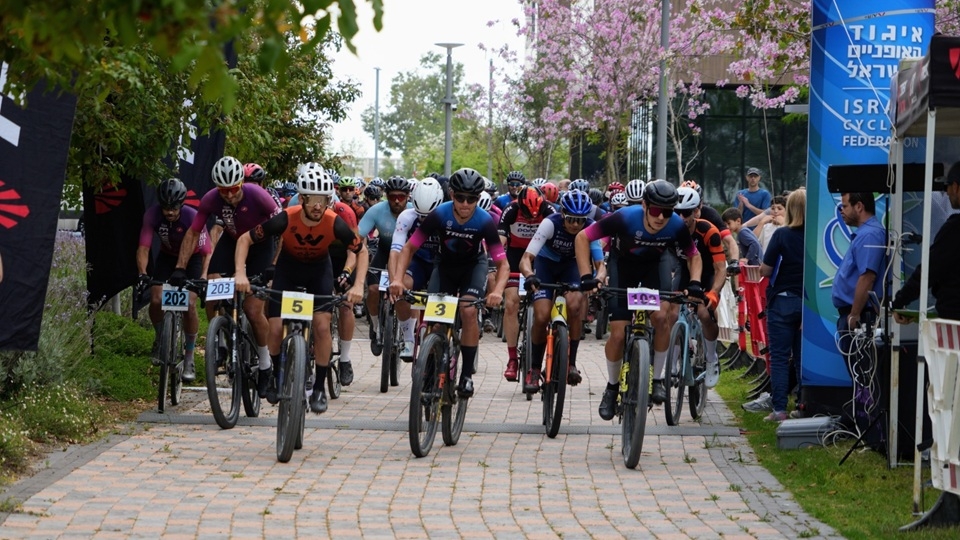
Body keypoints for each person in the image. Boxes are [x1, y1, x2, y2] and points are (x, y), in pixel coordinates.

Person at [234, 167, 367, 414]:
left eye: (323, 200)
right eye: (312, 199)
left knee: (322, 327)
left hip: (319, 271)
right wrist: (240, 273)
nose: (318, 206)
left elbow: (361, 251)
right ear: (302, 198)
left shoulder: (334, 222)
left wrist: (358, 285)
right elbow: (245, 239)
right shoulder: (286, 217)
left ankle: (319, 388)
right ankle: (275, 373)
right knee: (275, 327)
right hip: (288, 270)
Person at [575, 180, 704, 420]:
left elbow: (693, 256)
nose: (661, 217)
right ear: (644, 205)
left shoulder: (676, 225)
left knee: (661, 318)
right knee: (618, 333)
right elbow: (583, 237)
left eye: (667, 212)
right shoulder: (624, 217)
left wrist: (695, 282)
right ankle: (612, 387)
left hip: (654, 267)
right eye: (655, 210)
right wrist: (586, 276)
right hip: (622, 267)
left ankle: (657, 379)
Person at [390, 168, 510, 397]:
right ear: (452, 195)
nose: (465, 204)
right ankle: (428, 370)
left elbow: (503, 264)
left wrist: (497, 291)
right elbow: (409, 248)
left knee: (468, 311)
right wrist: (397, 278)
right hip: (444, 266)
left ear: (478, 199)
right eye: (460, 197)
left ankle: (466, 376)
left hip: (473, 267)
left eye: (471, 199)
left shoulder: (484, 221)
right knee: (435, 322)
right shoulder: (439, 214)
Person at [170, 156, 282, 400]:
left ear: (241, 183)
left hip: (260, 246)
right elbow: (193, 233)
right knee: (212, 281)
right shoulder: (211, 199)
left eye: (233, 189)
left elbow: (284, 227)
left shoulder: (258, 195)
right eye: (224, 190)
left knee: (253, 309)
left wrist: (274, 264)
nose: (229, 195)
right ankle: (220, 337)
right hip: (232, 242)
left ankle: (266, 366)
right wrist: (180, 267)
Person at [521, 190, 604, 388]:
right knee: (542, 315)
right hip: (546, 265)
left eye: (580, 220)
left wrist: (598, 280)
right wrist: (529, 275)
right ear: (562, 214)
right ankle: (534, 369)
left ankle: (571, 364)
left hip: (571, 266)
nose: (575, 225)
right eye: (571, 219)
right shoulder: (550, 223)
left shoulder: (591, 227)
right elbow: (526, 258)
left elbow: (600, 265)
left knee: (574, 306)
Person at [136, 178, 211, 382]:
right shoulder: (152, 215)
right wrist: (142, 273)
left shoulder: (192, 217)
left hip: (194, 258)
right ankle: (161, 337)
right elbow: (144, 247)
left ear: (182, 204)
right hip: (167, 257)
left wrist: (203, 277)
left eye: (174, 208)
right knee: (156, 299)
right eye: (166, 207)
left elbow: (207, 251)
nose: (169, 212)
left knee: (189, 304)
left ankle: (189, 357)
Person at [498, 186, 555, 382]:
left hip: (542, 257)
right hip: (516, 256)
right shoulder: (510, 210)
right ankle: (512, 359)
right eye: (527, 215)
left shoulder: (549, 210)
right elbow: (500, 241)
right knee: (511, 303)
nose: (532, 219)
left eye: (536, 215)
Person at [760, 189, 806, 422]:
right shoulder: (815, 236)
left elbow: (766, 269)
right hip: (808, 303)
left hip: (782, 300)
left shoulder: (782, 234)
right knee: (802, 358)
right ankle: (803, 405)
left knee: (779, 357)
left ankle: (779, 409)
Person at [892, 163, 960, 321]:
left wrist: (899, 302)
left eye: (947, 186)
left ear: (956, 187)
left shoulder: (955, 229)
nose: (947, 192)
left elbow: (928, 272)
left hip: (954, 321)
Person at [389, 177, 445, 359]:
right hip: (417, 261)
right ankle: (408, 339)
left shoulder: (447, 216)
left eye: (428, 216)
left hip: (440, 262)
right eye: (421, 215)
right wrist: (394, 281)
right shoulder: (407, 217)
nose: (424, 220)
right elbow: (396, 251)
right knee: (402, 287)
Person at [675, 187, 725, 388]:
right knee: (670, 312)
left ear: (696, 211)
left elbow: (720, 268)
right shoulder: (668, 229)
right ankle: (673, 359)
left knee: (705, 314)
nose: (681, 217)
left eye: (686, 213)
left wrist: (713, 293)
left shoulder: (709, 231)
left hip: (707, 275)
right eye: (676, 212)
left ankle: (711, 359)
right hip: (682, 273)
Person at [358, 176, 412, 358]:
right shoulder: (376, 210)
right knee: (373, 290)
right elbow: (357, 237)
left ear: (408, 196)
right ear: (386, 196)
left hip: (406, 256)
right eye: (392, 196)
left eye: (401, 197)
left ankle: (408, 333)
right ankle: (375, 326)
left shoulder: (414, 211)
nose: (396, 201)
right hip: (384, 252)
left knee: (409, 291)